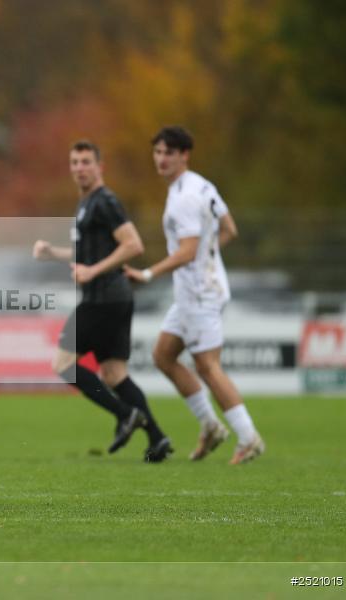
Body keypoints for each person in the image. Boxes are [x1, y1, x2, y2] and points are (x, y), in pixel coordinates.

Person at [125, 125, 264, 465]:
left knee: (208, 367)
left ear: (184, 155)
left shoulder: (184, 198)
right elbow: (229, 229)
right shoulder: (203, 185)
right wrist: (207, 256)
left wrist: (148, 273)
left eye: (168, 153)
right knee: (163, 356)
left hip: (201, 293)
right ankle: (210, 426)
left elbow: (187, 251)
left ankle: (249, 438)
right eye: (157, 152)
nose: (161, 159)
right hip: (195, 291)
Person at [33, 140, 172, 462]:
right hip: (116, 297)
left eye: (85, 161)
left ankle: (125, 415)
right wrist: (54, 253)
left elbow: (133, 245)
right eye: (74, 162)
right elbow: (92, 252)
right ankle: (157, 438)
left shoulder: (105, 201)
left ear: (100, 166)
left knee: (64, 366)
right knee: (114, 373)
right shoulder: (88, 203)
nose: (79, 167)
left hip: (104, 297)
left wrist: (93, 270)